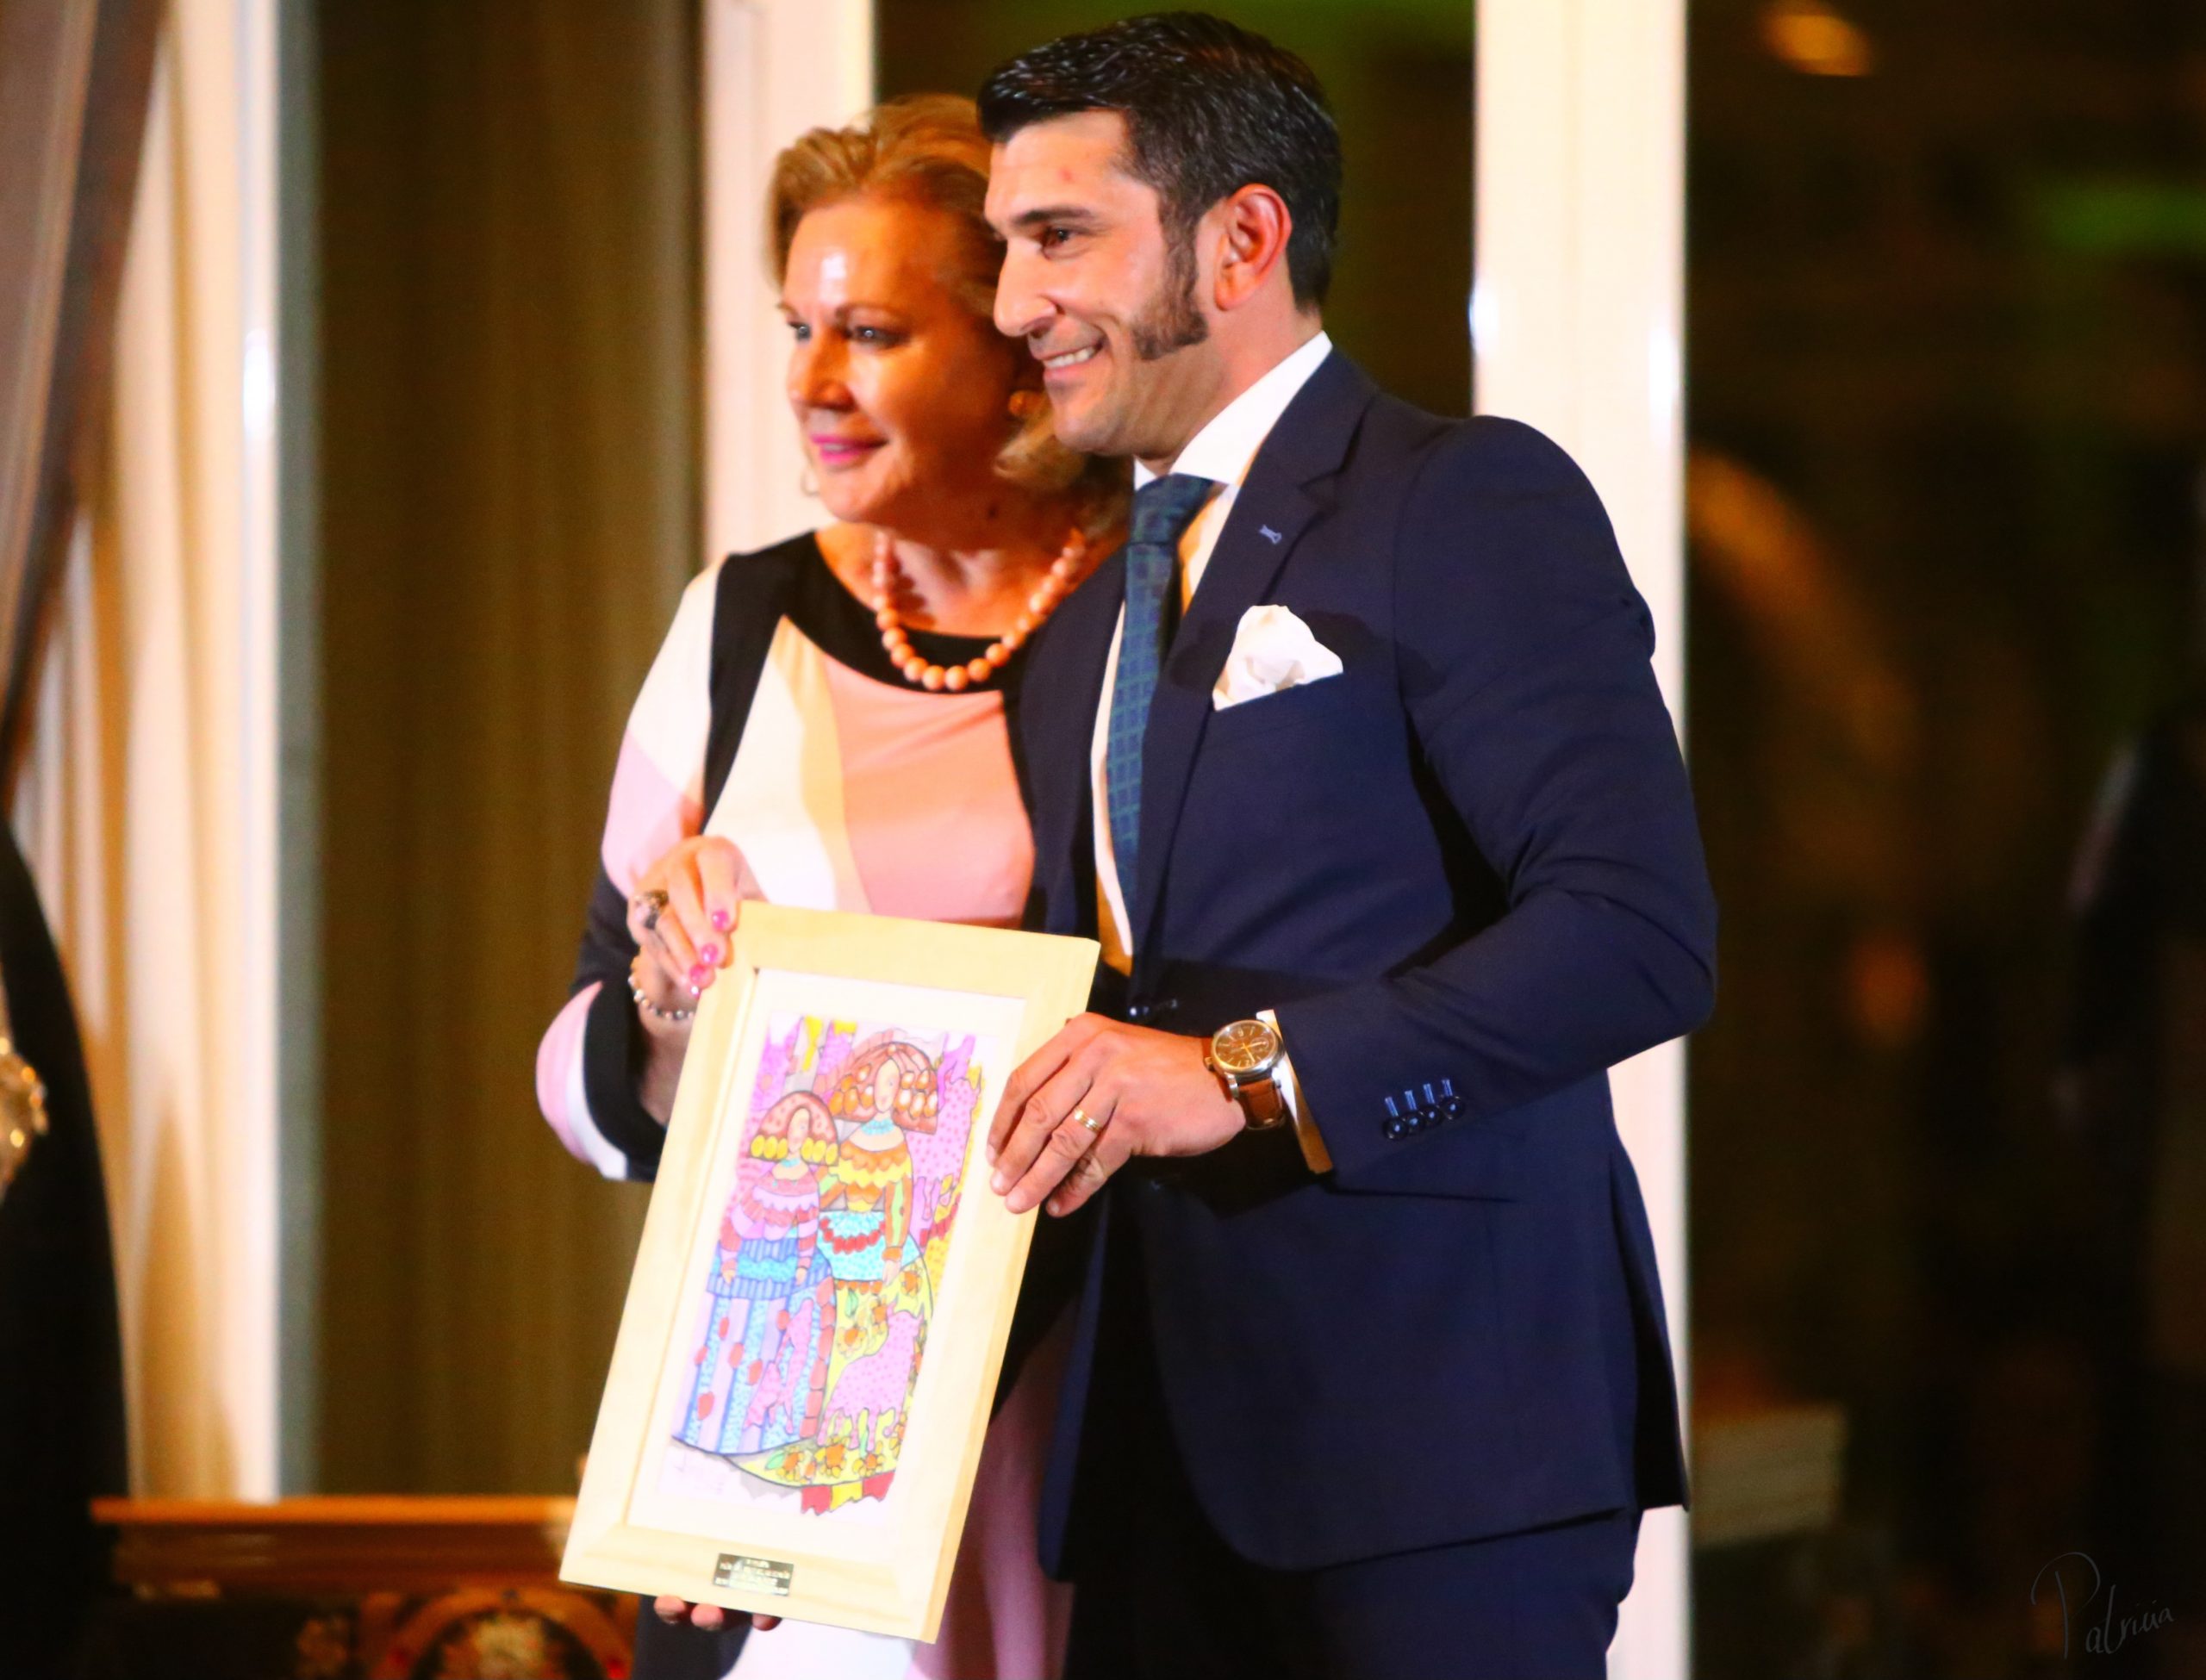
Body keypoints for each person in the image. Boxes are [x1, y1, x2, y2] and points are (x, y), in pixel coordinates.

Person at [973, 16, 1717, 1679]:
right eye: (1005, 247)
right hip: (1149, 1463)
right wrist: (804, 1470)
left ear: (1242, 239)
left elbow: (1637, 932)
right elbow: (1080, 1040)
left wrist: (1240, 1075)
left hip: (1440, 1449)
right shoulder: (1080, 626)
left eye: (1060, 236)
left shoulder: (1462, 500)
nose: (1015, 303)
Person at [534, 93, 1121, 1680]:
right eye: (799, 326)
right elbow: (584, 1073)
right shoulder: (740, 622)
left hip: (1078, 1416)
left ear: (1015, 349)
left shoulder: (1162, 613)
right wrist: (670, 1005)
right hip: (785, 1429)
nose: (809, 382)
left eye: (868, 332)